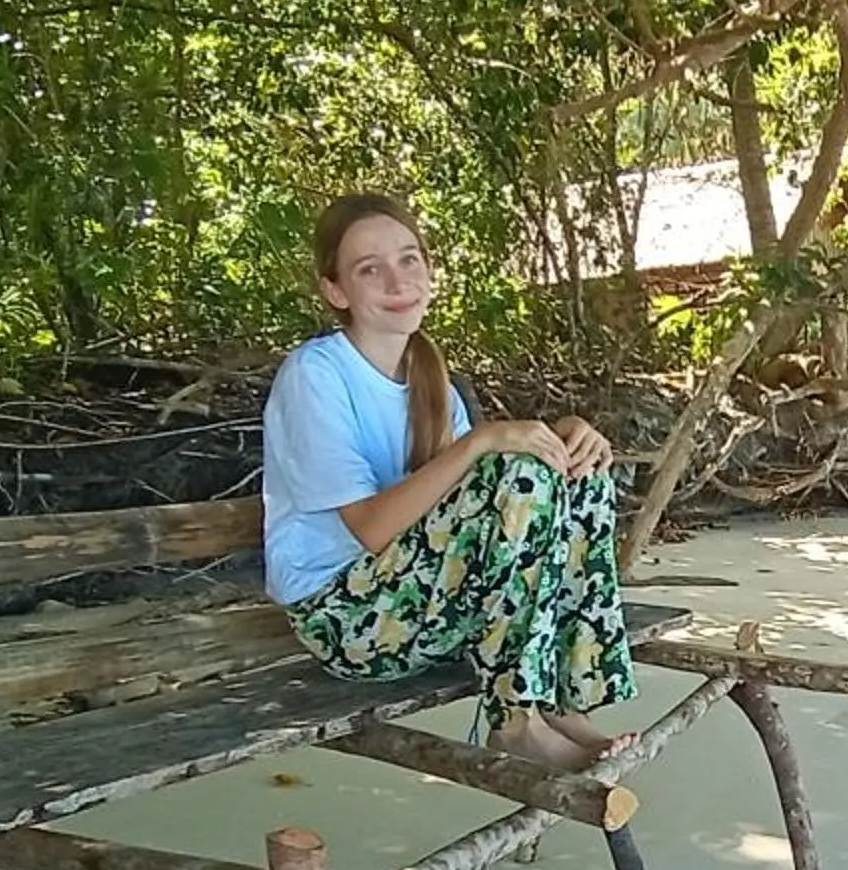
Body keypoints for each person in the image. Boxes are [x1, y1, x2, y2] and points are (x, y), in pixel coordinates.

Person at [261, 191, 636, 771]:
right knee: (520, 471)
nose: (396, 280)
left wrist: (564, 436)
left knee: (575, 471)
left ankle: (554, 697)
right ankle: (515, 724)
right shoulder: (316, 375)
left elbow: (472, 503)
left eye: (409, 259)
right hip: (346, 621)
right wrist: (482, 440)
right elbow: (372, 527)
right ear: (336, 291)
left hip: (417, 605)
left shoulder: (427, 373)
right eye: (369, 269)